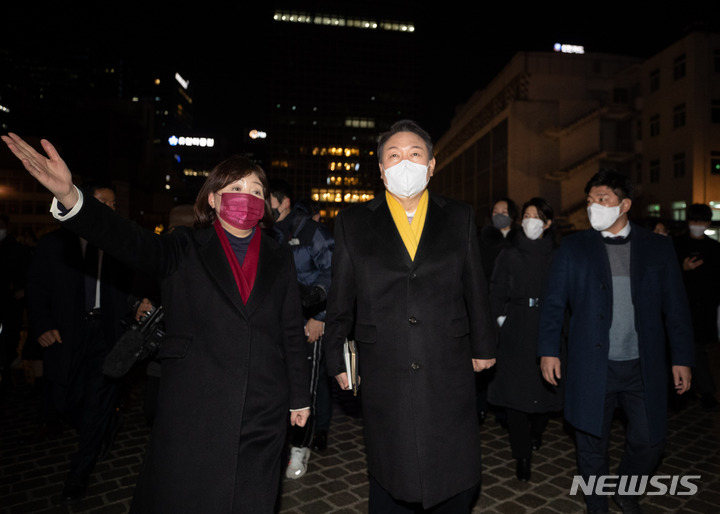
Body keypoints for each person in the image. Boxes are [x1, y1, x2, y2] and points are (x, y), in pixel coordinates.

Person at [2, 132, 310, 513]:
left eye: (258, 191)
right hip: (196, 405)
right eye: (236, 187)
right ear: (213, 199)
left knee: (252, 499)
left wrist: (299, 395)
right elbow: (128, 240)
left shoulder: (279, 258)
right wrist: (71, 197)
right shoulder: (183, 246)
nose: (248, 197)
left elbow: (291, 329)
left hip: (263, 407)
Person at [324, 120, 496, 513]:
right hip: (383, 362)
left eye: (415, 155)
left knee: (454, 465)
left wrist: (485, 345)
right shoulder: (353, 222)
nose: (406, 163)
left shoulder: (459, 216)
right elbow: (340, 301)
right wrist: (337, 357)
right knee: (392, 464)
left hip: (447, 359)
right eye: (394, 156)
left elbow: (475, 286)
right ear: (381, 168)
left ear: (432, 165)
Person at [538, 169, 694, 514]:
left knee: (650, 440)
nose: (593, 206)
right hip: (593, 364)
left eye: (602, 199)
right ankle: (597, 506)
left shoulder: (658, 247)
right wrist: (548, 350)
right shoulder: (574, 247)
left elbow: (676, 308)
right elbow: (553, 304)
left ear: (624, 204)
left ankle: (625, 488)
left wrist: (682, 358)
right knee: (592, 444)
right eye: (590, 200)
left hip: (643, 364)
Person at [24, 182, 133, 504]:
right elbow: (36, 289)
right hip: (67, 335)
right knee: (65, 400)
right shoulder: (54, 244)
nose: (108, 208)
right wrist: (42, 326)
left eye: (113, 204)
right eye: (102, 201)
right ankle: (105, 421)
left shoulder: (118, 245)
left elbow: (133, 283)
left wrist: (137, 303)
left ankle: (79, 473)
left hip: (106, 333)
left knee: (95, 405)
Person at [487, 197, 563, 482]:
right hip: (516, 326)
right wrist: (494, 323)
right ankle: (521, 454)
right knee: (515, 394)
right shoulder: (509, 254)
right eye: (527, 215)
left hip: (547, 326)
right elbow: (496, 291)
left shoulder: (559, 254)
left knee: (545, 390)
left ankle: (537, 431)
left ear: (547, 223)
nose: (530, 220)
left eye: (537, 216)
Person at [269, 180, 334, 478]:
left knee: (307, 383)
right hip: (274, 321)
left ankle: (300, 447)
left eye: (265, 197)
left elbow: (333, 270)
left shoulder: (310, 231)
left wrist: (319, 314)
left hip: (308, 319)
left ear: (283, 203)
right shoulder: (264, 231)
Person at [673, 203, 720, 411]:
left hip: (706, 308)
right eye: (694, 221)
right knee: (688, 348)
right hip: (681, 306)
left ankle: (693, 390)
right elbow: (668, 277)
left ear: (708, 223)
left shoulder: (715, 248)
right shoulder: (677, 245)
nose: (697, 225)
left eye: (701, 221)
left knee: (699, 349)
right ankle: (698, 391)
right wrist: (683, 268)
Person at [477, 197, 519, 425]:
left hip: (513, 309)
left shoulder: (520, 241)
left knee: (510, 364)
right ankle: (481, 406)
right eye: (495, 211)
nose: (499, 214)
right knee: (485, 358)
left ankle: (506, 410)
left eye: (504, 211)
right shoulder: (482, 241)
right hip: (488, 307)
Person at [0, 214, 32, 399]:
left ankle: (7, 374)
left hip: (11, 305)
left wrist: (23, 289)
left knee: (9, 340)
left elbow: (28, 272)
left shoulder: (17, 249)